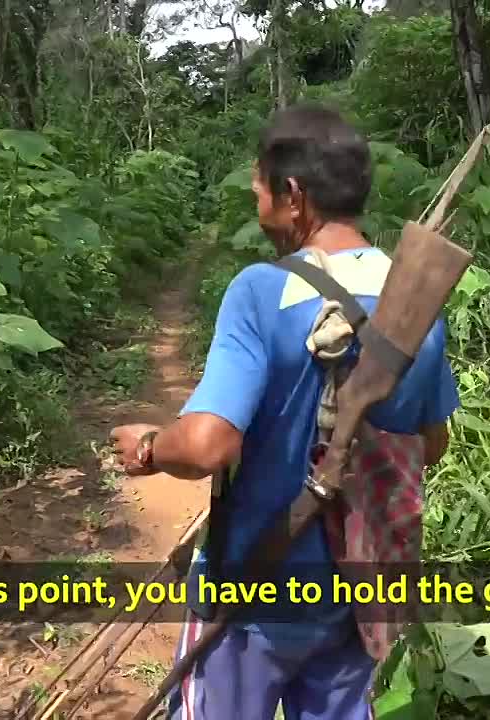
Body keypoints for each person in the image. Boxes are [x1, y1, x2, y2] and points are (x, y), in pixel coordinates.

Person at [110, 104, 459, 720]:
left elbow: (207, 445)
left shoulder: (261, 290)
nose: (256, 202)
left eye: (259, 190)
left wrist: (147, 446)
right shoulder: (418, 304)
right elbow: (432, 445)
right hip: (360, 593)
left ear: (293, 195)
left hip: (253, 594)